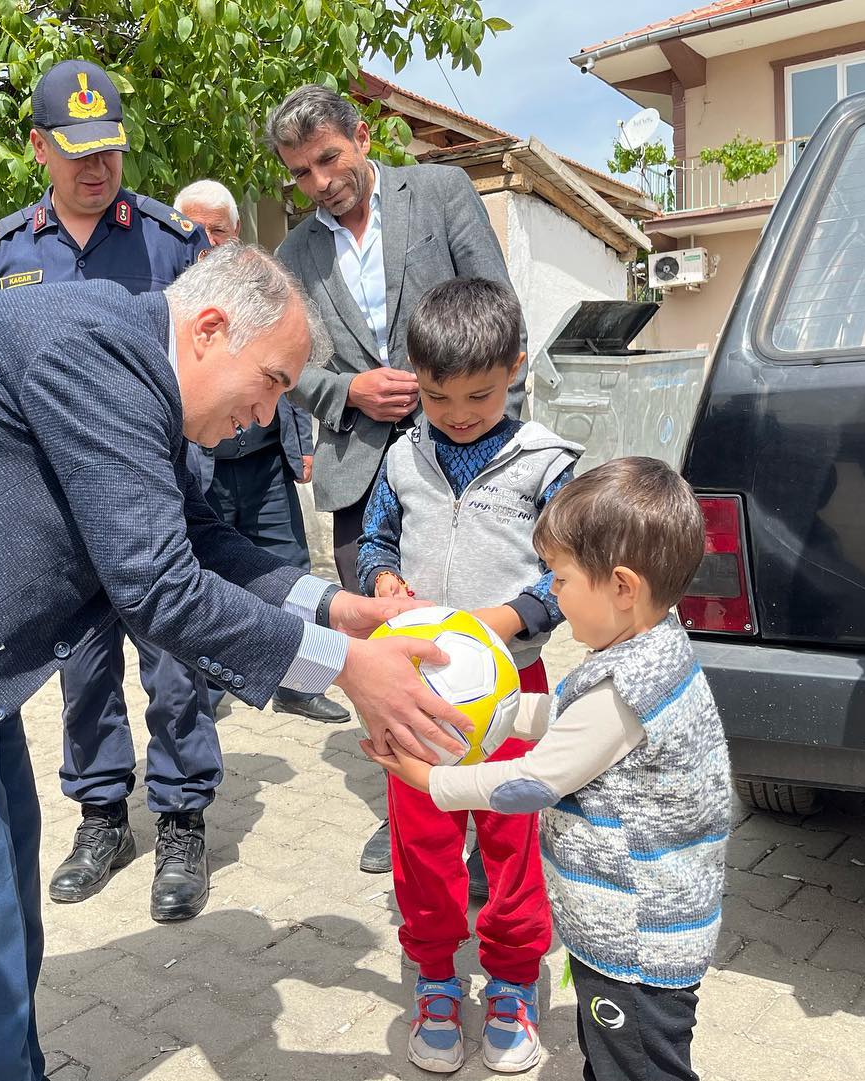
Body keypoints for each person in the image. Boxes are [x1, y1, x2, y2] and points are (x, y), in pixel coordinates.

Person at [0, 245, 475, 1081]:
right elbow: (159, 585)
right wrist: (349, 667)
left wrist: (333, 606)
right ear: (211, 329)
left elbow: (197, 537)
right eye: (276, 380)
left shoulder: (135, 364)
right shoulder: (100, 352)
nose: (268, 413)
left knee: (4, 929)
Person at [366, 457, 731, 1081]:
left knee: (637, 1069)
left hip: (636, 942)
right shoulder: (649, 647)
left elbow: (528, 784)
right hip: (640, 928)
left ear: (621, 587)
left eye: (559, 580)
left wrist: (431, 781)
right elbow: (563, 710)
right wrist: (486, 712)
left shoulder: (626, 690)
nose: (552, 596)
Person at [0, 60, 222, 921]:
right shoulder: (7, 255)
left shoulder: (172, 243)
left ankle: (183, 817)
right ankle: (102, 814)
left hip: (156, 490)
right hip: (59, 506)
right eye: (77, 151)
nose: (96, 167)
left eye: (109, 149)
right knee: (81, 667)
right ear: (39, 147)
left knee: (176, 659)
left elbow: (210, 369)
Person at [268, 83, 527, 873]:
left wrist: (501, 440)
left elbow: (498, 308)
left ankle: (493, 807)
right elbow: (288, 363)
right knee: (387, 644)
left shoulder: (442, 192)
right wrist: (345, 390)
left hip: (461, 455)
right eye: (301, 173)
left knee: (473, 638)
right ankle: (413, 802)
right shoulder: (294, 254)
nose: (319, 183)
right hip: (356, 471)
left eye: (328, 160)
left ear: (363, 137)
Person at [357, 279, 578, 1073]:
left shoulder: (546, 463)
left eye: (480, 395)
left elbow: (570, 572)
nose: (456, 413)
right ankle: (438, 975)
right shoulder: (403, 456)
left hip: (515, 690)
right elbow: (376, 541)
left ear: (516, 368)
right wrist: (384, 586)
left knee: (514, 835)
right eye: (438, 395)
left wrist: (504, 621)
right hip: (412, 690)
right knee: (422, 841)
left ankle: (517, 976)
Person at [175, 179, 348, 724]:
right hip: (204, 472)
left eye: (217, 230)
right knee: (209, 573)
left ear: (236, 231)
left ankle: (300, 683)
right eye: (195, 230)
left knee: (286, 562)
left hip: (263, 465)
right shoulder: (175, 312)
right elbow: (162, 585)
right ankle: (212, 687)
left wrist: (301, 449)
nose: (207, 240)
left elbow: (287, 386)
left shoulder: (269, 294)